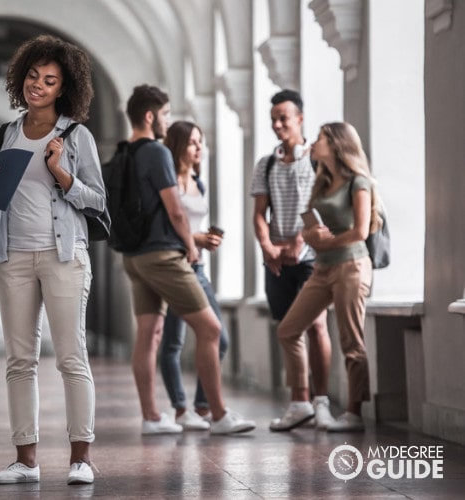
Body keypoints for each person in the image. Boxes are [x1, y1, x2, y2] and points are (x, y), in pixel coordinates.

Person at [0, 35, 105, 486]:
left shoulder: (76, 135)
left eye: (49, 81)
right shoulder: (3, 134)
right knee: (19, 359)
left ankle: (81, 458)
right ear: (21, 77)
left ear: (62, 89)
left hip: (64, 256)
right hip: (13, 257)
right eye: (33, 76)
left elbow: (97, 200)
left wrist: (62, 174)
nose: (38, 85)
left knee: (71, 357)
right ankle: (26, 460)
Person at [121, 85, 255, 436]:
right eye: (164, 114)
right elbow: (175, 209)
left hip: (133, 256)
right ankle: (219, 414)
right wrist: (190, 245)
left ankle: (152, 417)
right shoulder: (156, 152)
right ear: (150, 116)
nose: (167, 121)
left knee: (149, 335)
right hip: (164, 254)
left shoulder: (124, 153)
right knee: (211, 329)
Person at [277, 122, 377, 432]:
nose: (314, 142)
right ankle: (305, 403)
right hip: (322, 269)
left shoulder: (358, 182)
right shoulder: (322, 183)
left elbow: (361, 230)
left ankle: (353, 413)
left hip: (351, 266)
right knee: (288, 330)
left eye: (319, 138)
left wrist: (326, 241)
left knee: (351, 341)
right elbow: (308, 226)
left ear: (335, 144)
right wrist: (310, 234)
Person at [249, 89, 336, 431]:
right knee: (288, 329)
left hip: (313, 257)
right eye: (273, 118)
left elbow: (324, 207)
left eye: (284, 117)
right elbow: (259, 213)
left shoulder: (316, 160)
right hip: (277, 261)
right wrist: (267, 247)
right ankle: (299, 402)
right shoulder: (266, 164)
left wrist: (300, 241)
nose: (277, 124)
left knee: (316, 326)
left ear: (300, 118)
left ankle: (322, 401)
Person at [159, 121, 229, 431]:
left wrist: (205, 239)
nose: (199, 148)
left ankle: (201, 406)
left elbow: (192, 223)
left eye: (201, 142)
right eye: (192, 143)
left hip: (198, 268)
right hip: (176, 267)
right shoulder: (168, 183)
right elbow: (165, 226)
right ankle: (179, 408)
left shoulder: (198, 183)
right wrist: (196, 240)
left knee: (220, 340)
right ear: (178, 147)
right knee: (173, 342)